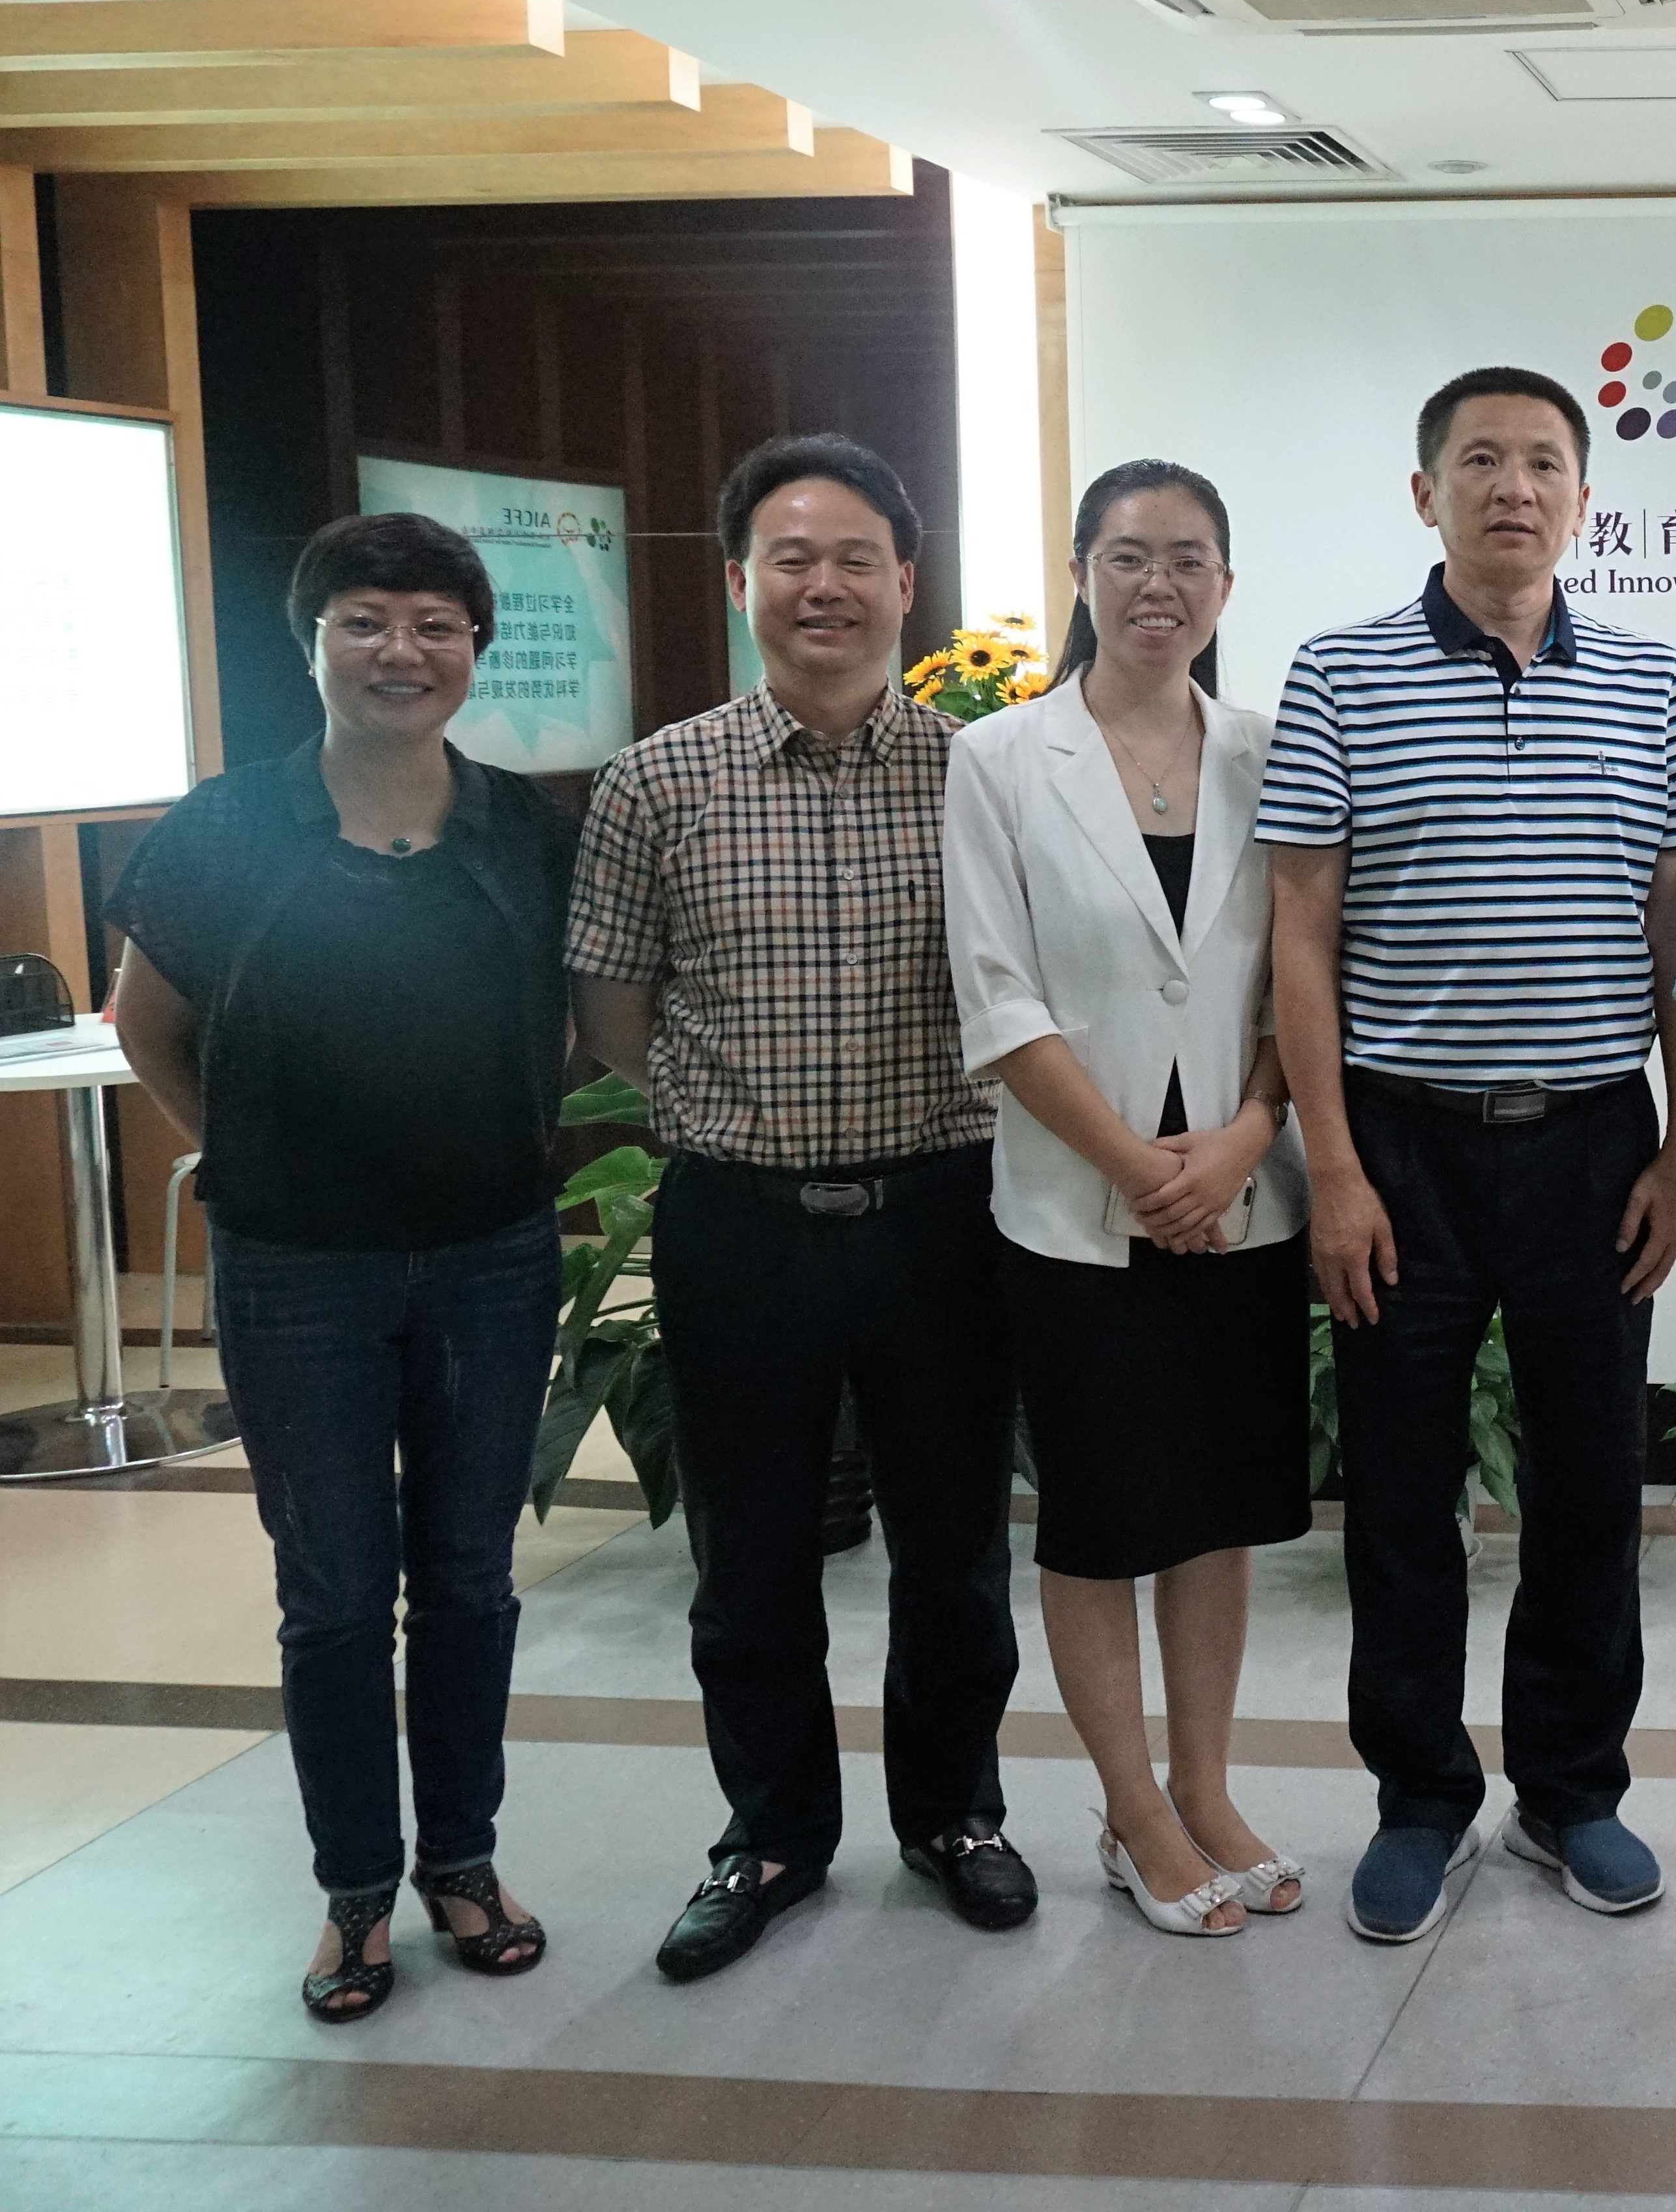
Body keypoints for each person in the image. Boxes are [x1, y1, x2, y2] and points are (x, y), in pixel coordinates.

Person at [1262, 365, 1676, 1942]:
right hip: (1400, 1144)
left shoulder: (1655, 683)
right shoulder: (1340, 673)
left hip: (1595, 1140)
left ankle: (1571, 1789)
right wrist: (1333, 1167)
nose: (1512, 486)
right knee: (1401, 1491)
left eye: (1543, 462)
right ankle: (1418, 1797)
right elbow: (1301, 933)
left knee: (1592, 1484)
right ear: (1426, 492)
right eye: (1480, 460)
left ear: (1585, 497)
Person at [567, 433, 1032, 1983]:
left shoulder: (986, 774)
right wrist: (729, 1110)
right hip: (742, 1222)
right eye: (791, 558)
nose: (823, 585)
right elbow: (614, 1002)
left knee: (954, 1547)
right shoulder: (657, 779)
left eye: (854, 559)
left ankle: (953, 1811)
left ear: (907, 580)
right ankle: (769, 1832)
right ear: (740, 580)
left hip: (943, 1209)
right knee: (751, 1554)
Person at [106, 513, 575, 2024]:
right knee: (332, 1592)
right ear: (311, 643)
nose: (401, 650)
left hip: (492, 1252)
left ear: (474, 648)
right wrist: (258, 1153)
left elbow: (571, 1019)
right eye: (365, 620)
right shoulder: (226, 826)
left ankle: (465, 1861)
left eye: (436, 623)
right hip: (295, 1265)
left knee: (470, 1577)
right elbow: (148, 1021)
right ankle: (357, 1890)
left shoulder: (523, 828)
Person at [945, 459, 1315, 1941]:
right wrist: (1136, 1166)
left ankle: (1206, 1785)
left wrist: (1247, 1134)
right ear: (1082, 574)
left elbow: (1304, 974)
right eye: (1128, 556)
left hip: (1243, 1198)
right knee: (1100, 1518)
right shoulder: (1000, 758)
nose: (1159, 584)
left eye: (1189, 558)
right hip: (1073, 1208)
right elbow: (998, 994)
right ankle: (1131, 1809)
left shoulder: (1273, 751)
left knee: (1216, 1512)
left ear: (1226, 583)